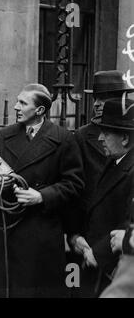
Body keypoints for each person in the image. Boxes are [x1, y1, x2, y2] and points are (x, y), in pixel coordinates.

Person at [0, 83, 84, 297]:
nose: (15, 107)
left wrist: (41, 196)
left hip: (41, 231)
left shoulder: (63, 139)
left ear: (40, 110)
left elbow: (74, 184)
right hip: (5, 229)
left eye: (22, 103)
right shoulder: (4, 135)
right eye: (16, 101)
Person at [74, 96, 134, 297]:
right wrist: (77, 235)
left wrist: (99, 254)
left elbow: (130, 223)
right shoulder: (116, 160)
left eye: (106, 134)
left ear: (124, 139)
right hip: (93, 258)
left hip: (112, 267)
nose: (100, 139)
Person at [69, 70, 134, 252]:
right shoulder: (82, 136)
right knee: (75, 279)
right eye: (96, 98)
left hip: (117, 234)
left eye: (104, 99)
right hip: (88, 229)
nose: (97, 104)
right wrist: (74, 234)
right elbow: (75, 187)